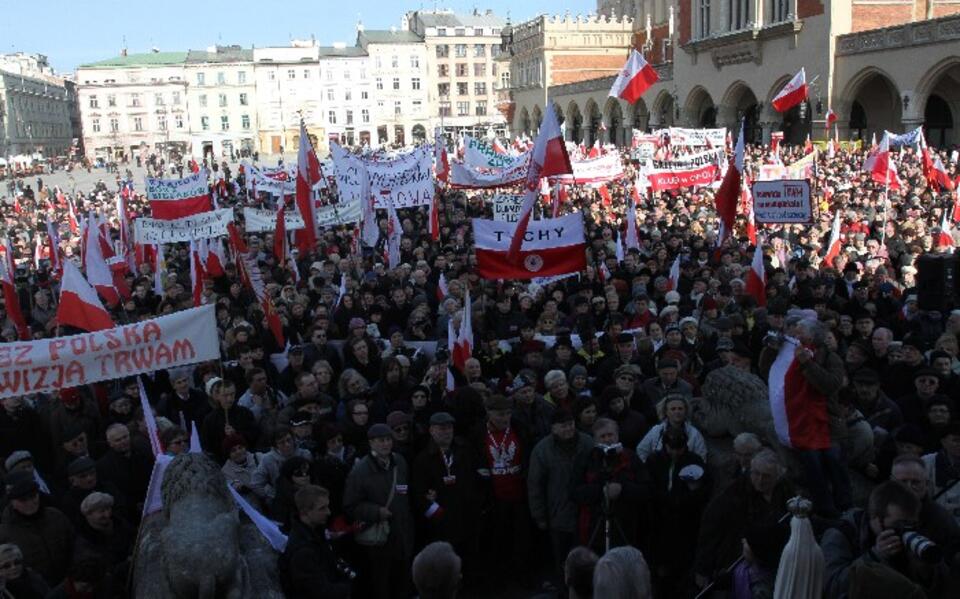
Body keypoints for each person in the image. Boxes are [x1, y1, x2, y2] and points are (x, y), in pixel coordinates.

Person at [821, 480, 951, 598]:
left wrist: (925, 570)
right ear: (876, 519)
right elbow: (831, 587)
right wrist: (874, 557)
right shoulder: (841, 534)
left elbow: (944, 588)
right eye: (899, 524)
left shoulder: (912, 533)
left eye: (910, 524)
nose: (905, 529)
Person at [694, 449, 793, 589]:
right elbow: (710, 529)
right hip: (738, 558)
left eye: (766, 476)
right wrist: (702, 567)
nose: (760, 480)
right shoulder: (734, 494)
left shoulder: (784, 489)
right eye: (756, 473)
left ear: (777, 476)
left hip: (775, 558)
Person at [343, 423, 414, 599]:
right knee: (382, 582)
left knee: (402, 580)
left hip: (403, 532)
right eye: (381, 440)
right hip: (379, 539)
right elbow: (350, 506)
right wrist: (376, 512)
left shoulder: (400, 461)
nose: (386, 444)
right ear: (371, 443)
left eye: (388, 439)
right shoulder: (360, 471)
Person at [527, 409, 594, 589]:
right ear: (553, 428)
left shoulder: (587, 443)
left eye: (571, 424)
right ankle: (564, 590)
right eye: (563, 426)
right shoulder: (542, 450)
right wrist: (539, 515)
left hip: (585, 514)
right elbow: (535, 485)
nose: (568, 429)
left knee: (585, 558)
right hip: (558, 515)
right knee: (562, 559)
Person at [410, 413, 478, 574]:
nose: (447, 432)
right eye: (442, 428)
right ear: (432, 430)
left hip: (467, 517)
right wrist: (437, 515)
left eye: (449, 428)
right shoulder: (423, 459)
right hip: (441, 524)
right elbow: (419, 495)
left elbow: (474, 479)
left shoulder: (464, 450)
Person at [572, 417, 651, 555]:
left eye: (610, 435)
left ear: (617, 435)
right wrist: (601, 490)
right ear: (595, 439)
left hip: (626, 525)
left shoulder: (631, 457)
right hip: (594, 527)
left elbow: (646, 490)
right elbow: (575, 492)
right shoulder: (586, 459)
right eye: (602, 436)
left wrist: (623, 489)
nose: (607, 439)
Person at [278, 485, 352, 599]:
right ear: (305, 513)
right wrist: (347, 588)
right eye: (322, 508)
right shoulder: (303, 551)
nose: (329, 512)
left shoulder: (316, 532)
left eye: (327, 506)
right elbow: (319, 592)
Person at [0, 474, 74, 586]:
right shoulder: (5, 532)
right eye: (23, 500)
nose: (30, 503)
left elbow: (75, 544)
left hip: (70, 582)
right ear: (12, 503)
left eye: (33, 496)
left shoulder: (56, 516)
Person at [635, 394, 707, 463]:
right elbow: (641, 450)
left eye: (680, 409)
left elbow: (701, 456)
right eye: (673, 409)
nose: (677, 412)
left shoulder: (694, 433)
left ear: (685, 411)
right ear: (666, 412)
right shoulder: (656, 430)